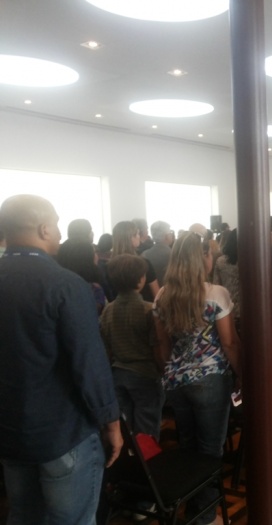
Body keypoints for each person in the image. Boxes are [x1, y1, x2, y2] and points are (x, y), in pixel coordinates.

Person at [0, 194, 122, 524]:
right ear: (43, 229)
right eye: (55, 224)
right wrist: (111, 422)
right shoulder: (65, 285)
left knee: (23, 514)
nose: (58, 232)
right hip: (62, 432)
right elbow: (89, 364)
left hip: (9, 430)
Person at [153, 232, 242, 524]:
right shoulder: (216, 294)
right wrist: (242, 374)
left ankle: (192, 509)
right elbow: (229, 343)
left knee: (188, 448)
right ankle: (205, 516)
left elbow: (163, 345)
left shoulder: (163, 295)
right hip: (210, 379)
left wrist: (173, 372)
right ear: (202, 257)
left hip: (176, 381)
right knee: (210, 450)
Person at [101, 254, 164, 440]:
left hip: (118, 374)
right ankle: (147, 458)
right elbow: (157, 347)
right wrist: (162, 370)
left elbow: (106, 347)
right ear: (141, 280)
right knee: (147, 429)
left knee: (125, 429)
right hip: (145, 374)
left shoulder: (108, 310)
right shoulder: (149, 310)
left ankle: (131, 457)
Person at [112, 220, 160, 302]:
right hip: (144, 307)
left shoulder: (109, 266)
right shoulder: (143, 264)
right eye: (137, 234)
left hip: (117, 309)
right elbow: (157, 295)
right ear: (129, 238)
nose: (139, 236)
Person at [56, 239, 107, 315]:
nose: (97, 256)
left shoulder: (61, 284)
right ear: (87, 258)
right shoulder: (95, 287)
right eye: (94, 252)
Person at [212, 228, 240, 319]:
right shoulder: (253, 261)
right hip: (249, 307)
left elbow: (216, 284)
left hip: (227, 306)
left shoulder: (221, 261)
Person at [142, 220, 173, 286]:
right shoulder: (174, 255)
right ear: (166, 236)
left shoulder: (144, 254)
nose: (171, 234)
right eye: (170, 232)